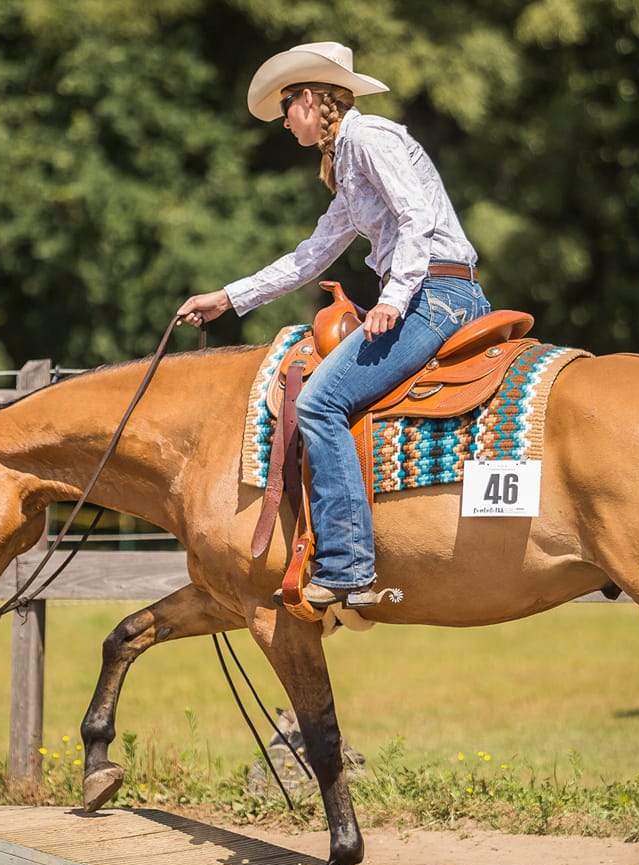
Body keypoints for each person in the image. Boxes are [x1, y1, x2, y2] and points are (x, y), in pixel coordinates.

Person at [177, 41, 490, 610]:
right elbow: (310, 256)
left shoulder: (369, 138)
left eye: (287, 105)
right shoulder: (347, 163)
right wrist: (229, 297)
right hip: (435, 289)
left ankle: (347, 567)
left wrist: (394, 295)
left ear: (314, 99)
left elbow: (416, 214)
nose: (283, 119)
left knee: (319, 403)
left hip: (437, 294)